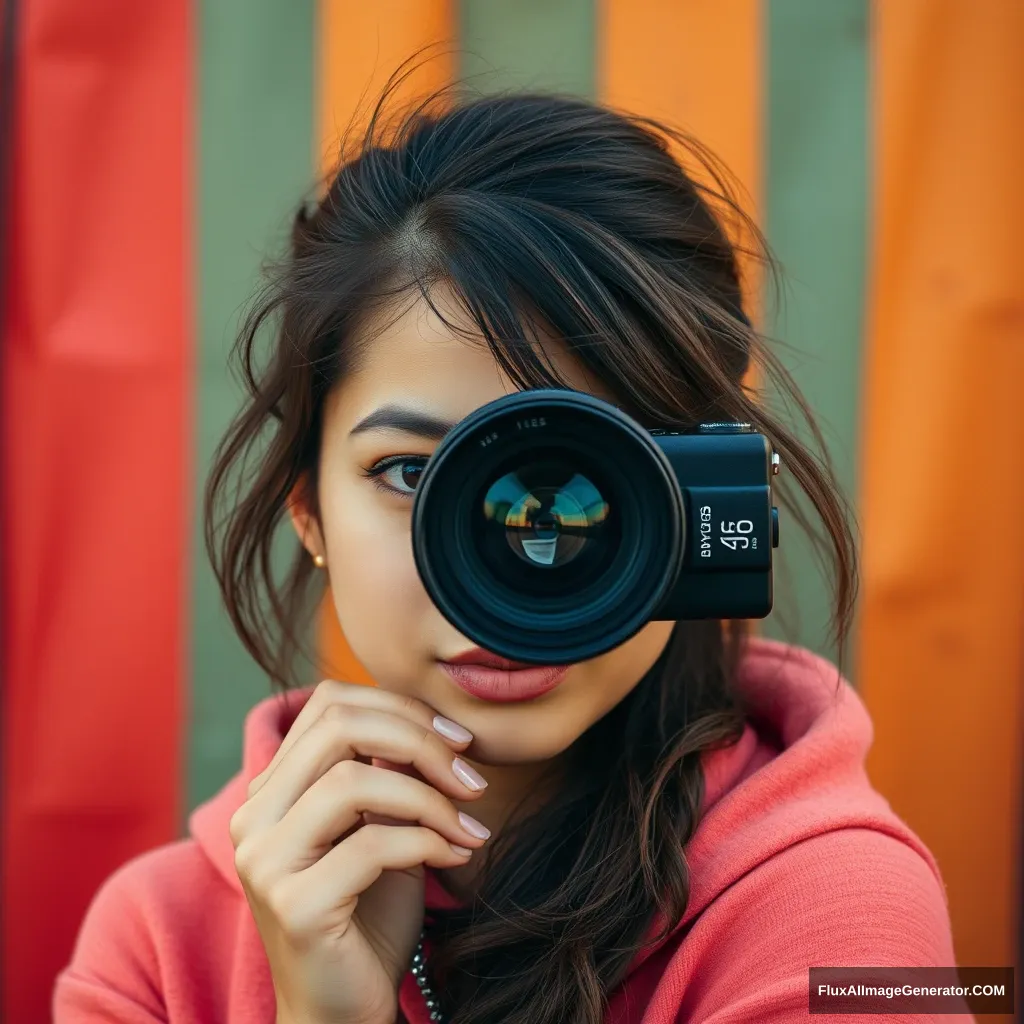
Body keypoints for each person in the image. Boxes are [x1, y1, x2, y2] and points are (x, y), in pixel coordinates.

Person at [53, 65, 965, 1024]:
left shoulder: (845, 924)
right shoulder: (154, 948)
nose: (514, 557)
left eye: (579, 481)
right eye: (412, 475)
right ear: (305, 507)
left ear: (697, 505)